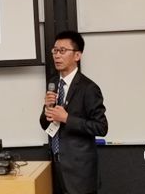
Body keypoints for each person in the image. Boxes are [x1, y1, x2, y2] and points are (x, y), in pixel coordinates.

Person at [39, 30, 108, 194]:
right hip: (55, 165)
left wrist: (67, 118)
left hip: (79, 172)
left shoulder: (89, 88)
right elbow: (45, 124)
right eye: (55, 50)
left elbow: (101, 127)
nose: (57, 55)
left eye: (62, 51)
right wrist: (47, 109)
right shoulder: (53, 83)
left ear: (77, 55)